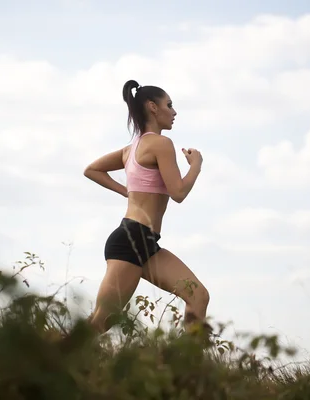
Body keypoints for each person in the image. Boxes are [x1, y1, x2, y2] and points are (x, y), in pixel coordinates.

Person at [83, 79, 210, 336]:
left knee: (198, 296)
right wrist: (195, 165)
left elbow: (92, 170)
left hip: (146, 242)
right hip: (131, 240)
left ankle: (191, 370)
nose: (174, 112)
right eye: (169, 105)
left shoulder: (130, 149)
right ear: (153, 107)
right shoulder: (160, 144)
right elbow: (178, 193)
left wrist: (127, 192)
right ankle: (45, 361)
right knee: (101, 321)